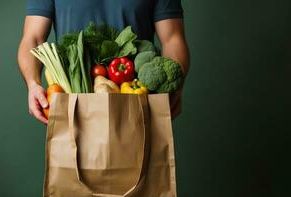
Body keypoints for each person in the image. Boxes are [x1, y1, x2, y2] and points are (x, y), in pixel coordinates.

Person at [18, 0, 190, 124]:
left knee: (143, 172)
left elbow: (172, 39)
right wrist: (33, 84)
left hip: (137, 104)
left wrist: (174, 84)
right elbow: (33, 38)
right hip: (72, 104)